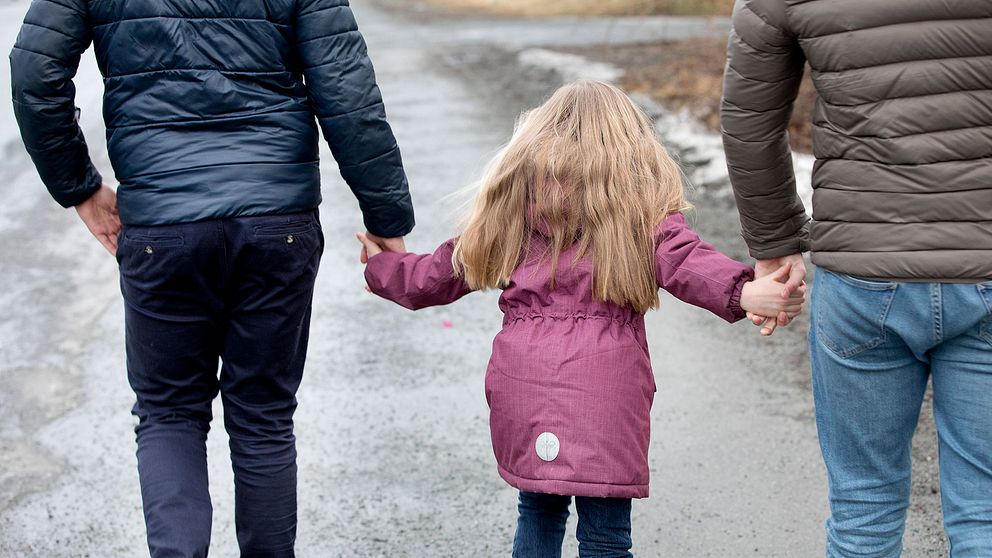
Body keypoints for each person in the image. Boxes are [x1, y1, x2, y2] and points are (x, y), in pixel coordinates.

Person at [10, 1, 413, 556]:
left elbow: (35, 73)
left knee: (170, 412)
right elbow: (347, 90)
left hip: (162, 223)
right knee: (263, 416)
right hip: (277, 223)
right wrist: (386, 216)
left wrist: (79, 187)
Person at [356, 80, 804, 557]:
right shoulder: (640, 214)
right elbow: (687, 263)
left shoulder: (511, 212)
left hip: (522, 381)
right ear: (631, 149)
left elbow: (437, 274)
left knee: (538, 511)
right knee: (605, 532)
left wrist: (382, 267)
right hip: (605, 386)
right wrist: (747, 292)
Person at [720, 0, 992, 556]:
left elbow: (749, 120)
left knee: (863, 509)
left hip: (864, 270)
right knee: (985, 515)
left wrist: (775, 243)